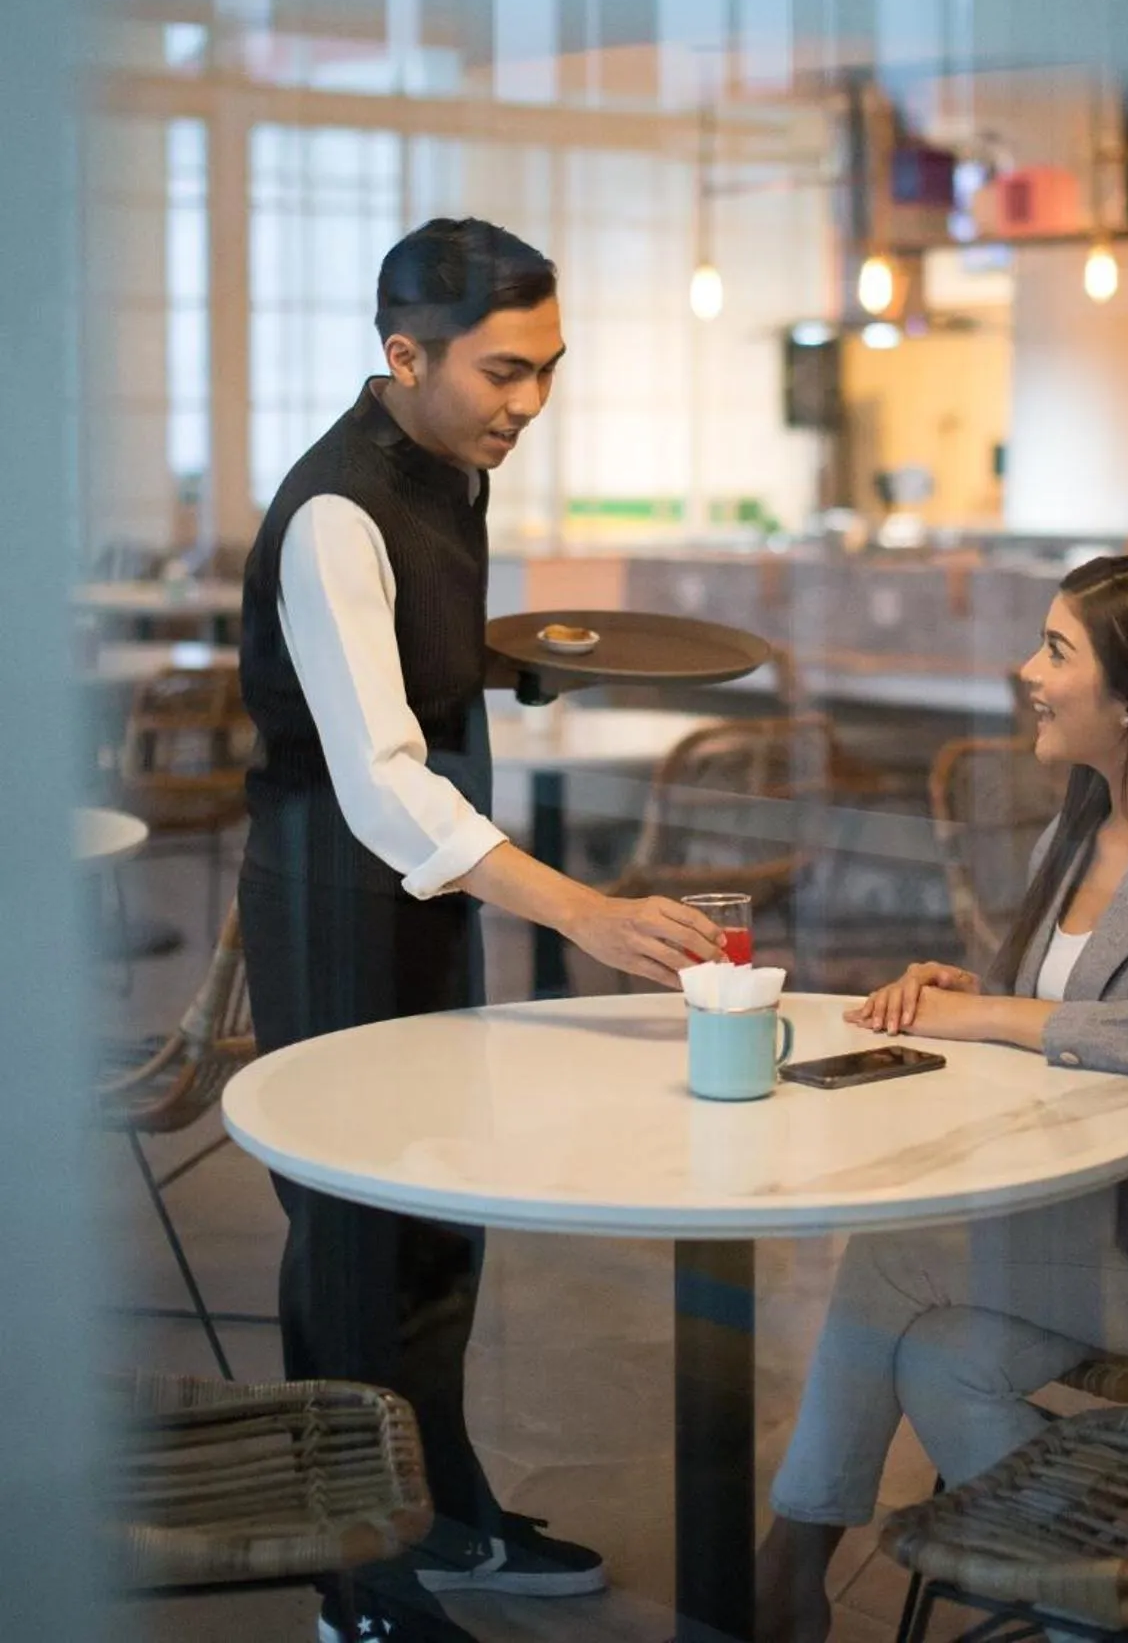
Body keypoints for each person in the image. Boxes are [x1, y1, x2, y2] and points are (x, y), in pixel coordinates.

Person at [236, 218, 724, 1643]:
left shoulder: (453, 465)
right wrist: (584, 912)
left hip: (428, 900)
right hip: (339, 895)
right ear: (404, 357)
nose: (529, 403)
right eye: (504, 371)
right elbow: (382, 779)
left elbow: (412, 673)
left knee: (439, 1224)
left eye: (549, 370)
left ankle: (441, 1508)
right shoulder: (338, 507)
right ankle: (356, 1586)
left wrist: (505, 667)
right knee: (350, 1243)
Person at [754, 553, 1128, 1643]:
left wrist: (993, 1017)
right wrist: (972, 994)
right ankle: (1116, 1606)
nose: (1022, 670)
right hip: (1112, 1214)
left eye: (1053, 650)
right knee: (941, 1360)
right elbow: (1067, 1026)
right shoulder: (1069, 836)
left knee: (893, 1254)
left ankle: (789, 1558)